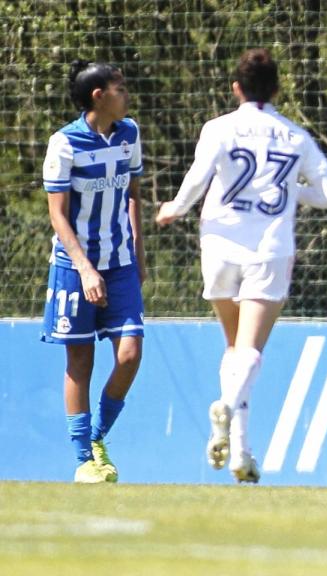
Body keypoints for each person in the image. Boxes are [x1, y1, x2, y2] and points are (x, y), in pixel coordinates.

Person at [156, 48, 327, 483]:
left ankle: (241, 453)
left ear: (236, 88)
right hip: (269, 247)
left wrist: (175, 209)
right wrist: (292, 194)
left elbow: (198, 178)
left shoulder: (218, 128)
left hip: (219, 243)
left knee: (233, 351)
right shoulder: (296, 137)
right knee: (250, 350)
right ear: (277, 89)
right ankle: (225, 408)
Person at [41, 60, 147, 483]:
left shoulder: (130, 133)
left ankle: (99, 437)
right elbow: (58, 216)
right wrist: (85, 268)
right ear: (98, 96)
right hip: (74, 268)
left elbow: (135, 194)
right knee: (80, 358)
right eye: (119, 88)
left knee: (130, 354)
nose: (127, 94)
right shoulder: (64, 144)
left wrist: (138, 252)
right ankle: (84, 458)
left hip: (119, 264)